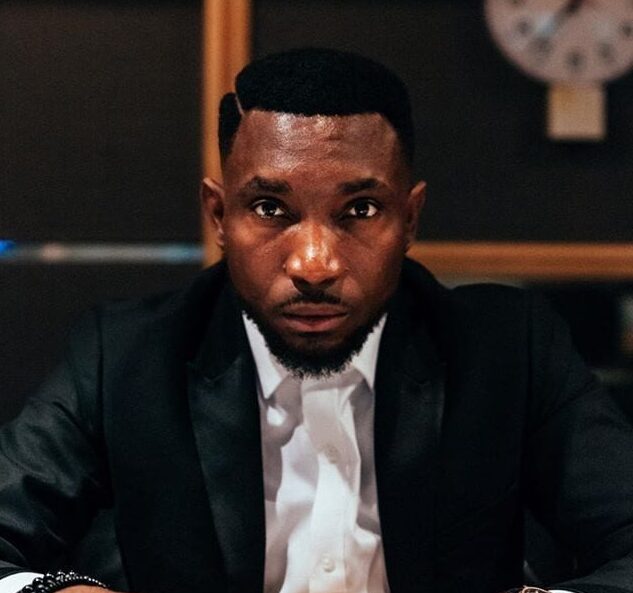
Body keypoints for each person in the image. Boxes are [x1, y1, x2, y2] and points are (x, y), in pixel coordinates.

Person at [1, 47, 632, 593]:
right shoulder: (125, 357)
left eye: (360, 210)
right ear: (219, 216)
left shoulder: (508, 350)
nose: (314, 264)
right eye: (269, 208)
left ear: (409, 219)